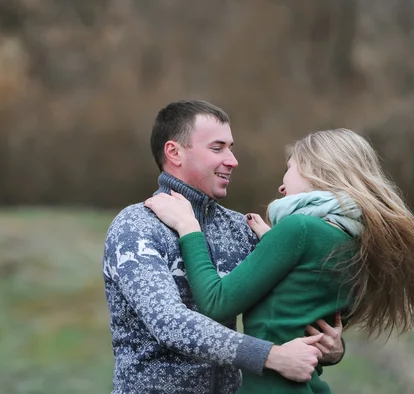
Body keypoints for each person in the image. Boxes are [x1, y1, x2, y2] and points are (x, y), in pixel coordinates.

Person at [144, 128, 414, 393]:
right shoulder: (355, 240)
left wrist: (189, 228)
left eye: (289, 169)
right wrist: (271, 242)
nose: (282, 186)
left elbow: (216, 301)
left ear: (315, 170)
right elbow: (303, 302)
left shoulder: (299, 230)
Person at [103, 100, 345, 394]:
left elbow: (293, 304)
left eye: (230, 147)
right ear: (174, 152)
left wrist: (330, 347)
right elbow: (168, 323)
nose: (233, 160)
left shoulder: (240, 228)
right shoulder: (136, 226)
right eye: (217, 148)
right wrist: (272, 356)